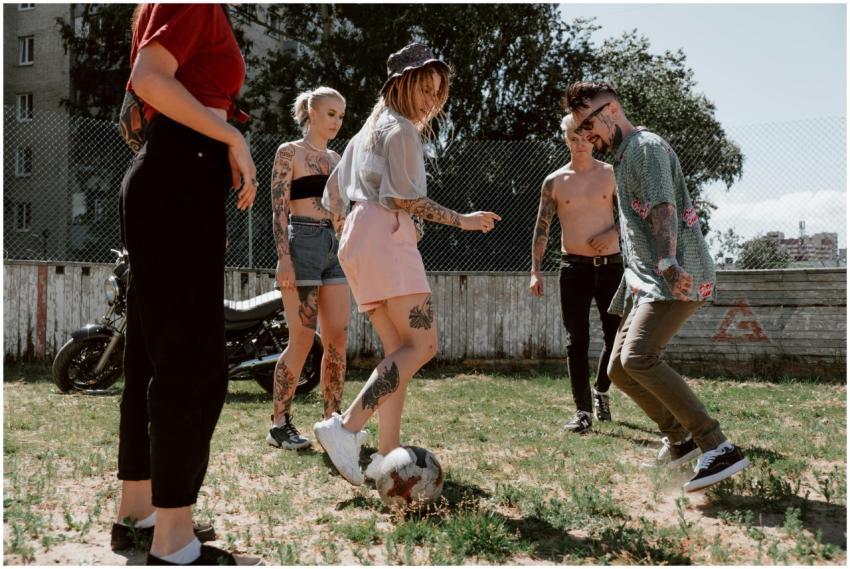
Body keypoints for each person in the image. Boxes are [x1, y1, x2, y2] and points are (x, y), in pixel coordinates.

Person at [316, 43, 502, 486]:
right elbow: (403, 198)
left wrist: (356, 233)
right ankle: (345, 429)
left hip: (358, 238)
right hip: (384, 234)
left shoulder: (364, 132)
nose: (429, 99)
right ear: (402, 84)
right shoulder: (399, 130)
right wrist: (463, 220)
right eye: (424, 87)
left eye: (436, 91)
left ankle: (385, 455)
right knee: (423, 346)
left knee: (399, 350)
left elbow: (333, 198)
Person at [114, 4, 260, 565]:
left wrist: (216, 140)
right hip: (180, 172)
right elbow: (148, 80)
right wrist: (231, 137)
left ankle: (139, 510)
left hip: (170, 166)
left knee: (151, 356)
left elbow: (149, 91)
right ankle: (174, 540)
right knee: (192, 361)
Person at [565, 81, 748, 492]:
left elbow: (663, 206)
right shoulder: (628, 154)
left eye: (589, 124)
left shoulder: (643, 149)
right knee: (619, 369)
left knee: (640, 357)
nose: (587, 136)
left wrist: (667, 261)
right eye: (580, 129)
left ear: (611, 109)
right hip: (649, 282)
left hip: (674, 276)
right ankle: (680, 439)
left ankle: (717, 446)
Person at [266, 87, 350, 450]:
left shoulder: (336, 157)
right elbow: (278, 208)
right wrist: (283, 256)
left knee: (338, 337)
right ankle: (279, 424)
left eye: (341, 116)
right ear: (312, 112)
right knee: (301, 338)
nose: (337, 122)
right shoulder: (289, 152)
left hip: (336, 246)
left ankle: (334, 423)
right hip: (302, 242)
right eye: (331, 113)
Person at [529, 113, 622, 434]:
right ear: (565, 139)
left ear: (593, 139)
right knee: (576, 341)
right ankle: (582, 411)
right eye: (572, 138)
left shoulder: (611, 174)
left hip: (611, 268)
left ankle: (601, 391)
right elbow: (542, 227)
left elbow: (633, 218)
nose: (579, 144)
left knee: (617, 339)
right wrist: (535, 270)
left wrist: (614, 235)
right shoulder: (555, 181)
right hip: (573, 269)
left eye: (584, 138)